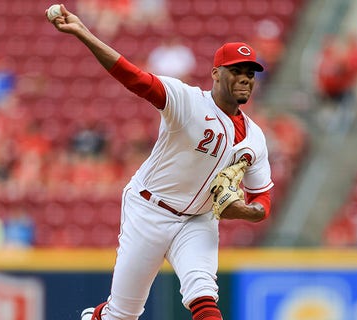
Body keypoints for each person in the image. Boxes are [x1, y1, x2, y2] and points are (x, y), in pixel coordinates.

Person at [46, 5, 273, 320]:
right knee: (123, 315)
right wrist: (85, 34)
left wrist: (248, 212)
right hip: (150, 208)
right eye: (237, 70)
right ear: (216, 73)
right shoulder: (187, 100)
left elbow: (261, 197)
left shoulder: (255, 138)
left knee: (204, 296)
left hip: (198, 221)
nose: (245, 78)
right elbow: (134, 77)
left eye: (250, 73)